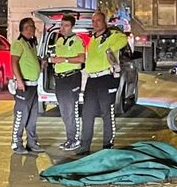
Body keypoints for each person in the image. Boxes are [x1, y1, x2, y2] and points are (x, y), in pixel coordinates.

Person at [79, 11, 129, 154]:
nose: (95, 23)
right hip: (92, 80)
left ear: (104, 22)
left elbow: (123, 39)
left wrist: (108, 45)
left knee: (107, 113)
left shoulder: (113, 36)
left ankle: (108, 146)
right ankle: (84, 146)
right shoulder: (92, 39)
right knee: (87, 113)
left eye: (98, 21)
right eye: (93, 21)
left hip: (106, 78)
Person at [49, 15, 85, 151]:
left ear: (72, 27)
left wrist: (63, 60)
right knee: (64, 111)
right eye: (62, 24)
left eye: (66, 25)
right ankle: (69, 138)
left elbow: (82, 58)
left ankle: (75, 139)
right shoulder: (58, 41)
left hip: (72, 78)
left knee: (72, 110)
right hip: (60, 79)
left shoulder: (77, 40)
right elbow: (55, 57)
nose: (62, 28)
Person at [10, 17, 44, 154]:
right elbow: (14, 63)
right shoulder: (19, 43)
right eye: (32, 27)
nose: (34, 29)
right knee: (21, 115)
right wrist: (19, 81)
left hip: (33, 86)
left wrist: (41, 64)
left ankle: (32, 142)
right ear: (26, 28)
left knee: (32, 117)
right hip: (24, 85)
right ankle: (16, 143)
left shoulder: (31, 44)